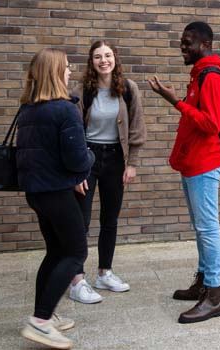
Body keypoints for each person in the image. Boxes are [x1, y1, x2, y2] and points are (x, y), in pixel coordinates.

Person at [148, 21, 220, 323]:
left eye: (188, 42)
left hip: (206, 164)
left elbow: (211, 124)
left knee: (208, 229)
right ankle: (203, 283)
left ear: (204, 45)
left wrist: (175, 102)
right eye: (181, 41)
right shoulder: (198, 76)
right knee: (201, 228)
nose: (182, 46)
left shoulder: (212, 77)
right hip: (193, 162)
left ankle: (215, 297)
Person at [17, 48, 95, 349]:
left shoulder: (28, 109)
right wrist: (89, 156)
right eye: (65, 67)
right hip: (57, 192)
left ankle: (44, 315)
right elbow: (77, 161)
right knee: (76, 252)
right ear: (53, 72)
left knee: (55, 253)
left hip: (36, 192)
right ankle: (40, 322)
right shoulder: (64, 109)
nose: (70, 71)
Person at [69, 41, 147, 304]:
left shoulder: (128, 89)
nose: (104, 60)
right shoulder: (81, 92)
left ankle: (104, 272)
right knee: (82, 220)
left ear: (115, 58)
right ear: (91, 62)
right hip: (87, 158)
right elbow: (74, 133)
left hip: (115, 158)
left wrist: (132, 163)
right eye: (98, 57)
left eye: (108, 55)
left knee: (110, 219)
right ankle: (76, 280)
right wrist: (77, 171)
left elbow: (136, 129)